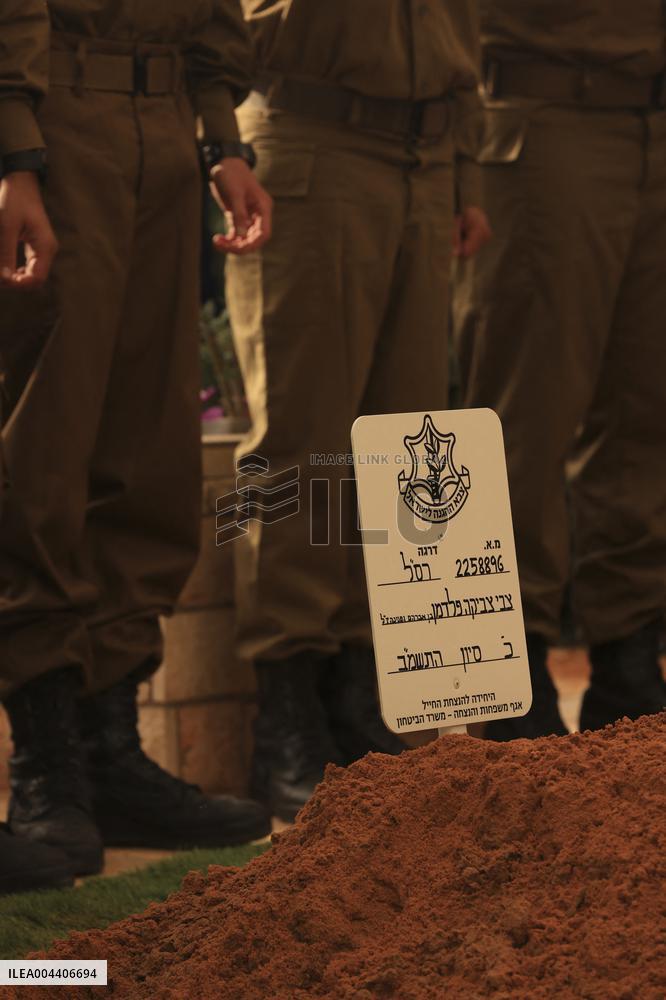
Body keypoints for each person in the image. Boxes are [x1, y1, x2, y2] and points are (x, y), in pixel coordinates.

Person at [0, 0, 273, 877]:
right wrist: (12, 152)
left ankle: (109, 752)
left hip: (165, 128)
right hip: (57, 117)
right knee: (40, 453)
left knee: (148, 456)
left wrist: (223, 139)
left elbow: (213, 19)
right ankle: (48, 769)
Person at [226, 0, 491, 821]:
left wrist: (466, 167)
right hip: (309, 133)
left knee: (399, 445)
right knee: (297, 438)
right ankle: (286, 704)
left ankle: (355, 685)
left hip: (426, 149)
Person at [452, 0, 666, 739]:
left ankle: (629, 656)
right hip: (543, 110)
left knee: (647, 411)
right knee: (521, 417)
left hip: (653, 117)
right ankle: (502, 674)